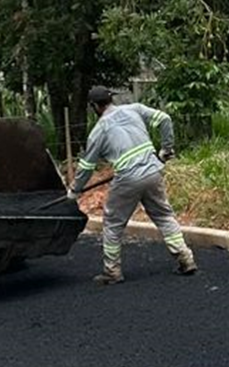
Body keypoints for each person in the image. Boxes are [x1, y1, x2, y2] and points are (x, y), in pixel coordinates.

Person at [69, 86, 197, 285]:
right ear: (111, 99)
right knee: (164, 216)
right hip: (153, 173)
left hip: (128, 179)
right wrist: (166, 150)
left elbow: (86, 167)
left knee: (113, 224)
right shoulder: (134, 109)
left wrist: (75, 190)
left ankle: (112, 272)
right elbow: (164, 119)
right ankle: (185, 259)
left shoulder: (98, 131)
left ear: (94, 106)